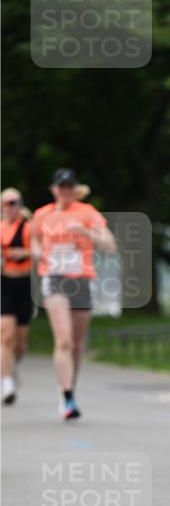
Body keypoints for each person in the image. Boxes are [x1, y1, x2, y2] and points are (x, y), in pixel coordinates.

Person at [31, 168, 116, 419]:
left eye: (69, 186)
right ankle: (67, 397)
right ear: (54, 189)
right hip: (54, 278)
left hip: (82, 279)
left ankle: (68, 389)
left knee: (76, 344)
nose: (65, 190)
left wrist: (86, 232)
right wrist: (38, 252)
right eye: (61, 186)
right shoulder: (42, 214)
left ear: (74, 188)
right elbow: (34, 240)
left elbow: (110, 245)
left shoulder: (87, 212)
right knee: (65, 340)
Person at [1, 188, 33, 405]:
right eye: (8, 203)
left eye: (15, 203)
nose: (11, 207)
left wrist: (25, 253)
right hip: (4, 283)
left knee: (20, 343)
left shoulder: (30, 228)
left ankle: (11, 366)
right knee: (6, 335)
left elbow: (44, 251)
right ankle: (7, 383)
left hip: (26, 284)